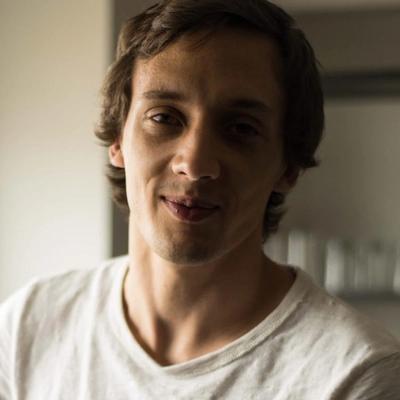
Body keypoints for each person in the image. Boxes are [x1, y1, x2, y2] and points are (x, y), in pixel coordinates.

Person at [1, 0, 399, 398]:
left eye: (240, 128)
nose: (195, 164)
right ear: (118, 139)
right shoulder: (27, 329)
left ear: (288, 167)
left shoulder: (356, 374)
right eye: (164, 117)